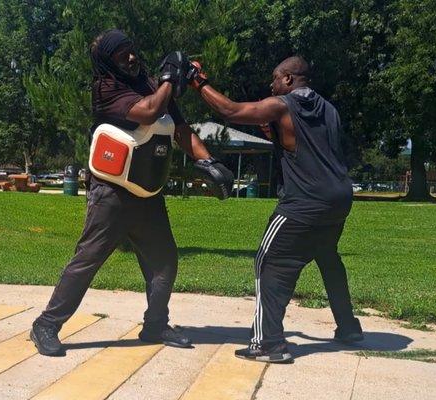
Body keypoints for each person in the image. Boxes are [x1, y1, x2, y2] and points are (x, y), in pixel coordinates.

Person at [30, 29, 234, 356]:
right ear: (107, 62)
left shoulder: (152, 85)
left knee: (164, 260)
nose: (131, 57)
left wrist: (208, 161)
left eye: (131, 49)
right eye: (121, 54)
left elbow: (180, 129)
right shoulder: (106, 88)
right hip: (111, 193)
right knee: (88, 259)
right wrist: (168, 78)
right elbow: (149, 112)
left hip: (147, 193)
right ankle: (46, 324)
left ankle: (155, 324)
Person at [188, 56, 363, 363]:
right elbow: (314, 149)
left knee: (267, 261)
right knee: (327, 256)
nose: (271, 85)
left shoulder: (283, 105)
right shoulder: (331, 111)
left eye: (274, 79)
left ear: (288, 80)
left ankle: (269, 344)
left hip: (304, 202)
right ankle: (348, 327)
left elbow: (230, 110)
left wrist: (197, 82)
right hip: (339, 200)